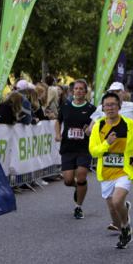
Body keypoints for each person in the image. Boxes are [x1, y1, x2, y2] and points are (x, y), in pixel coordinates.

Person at [88, 91, 133, 249]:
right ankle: (122, 222)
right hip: (106, 173)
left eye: (113, 105)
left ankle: (126, 228)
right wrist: (107, 143)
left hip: (124, 171)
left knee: (117, 200)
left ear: (119, 106)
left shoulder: (129, 124)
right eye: (107, 105)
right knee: (113, 210)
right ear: (103, 108)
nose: (110, 108)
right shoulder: (99, 126)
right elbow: (93, 151)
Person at [56, 79, 96, 219]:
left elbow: (96, 124)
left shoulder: (91, 109)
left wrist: (90, 130)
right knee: (67, 180)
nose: (78, 91)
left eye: (81, 89)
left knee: (81, 175)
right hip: (68, 147)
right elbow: (58, 120)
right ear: (73, 91)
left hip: (84, 148)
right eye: (76, 89)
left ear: (85, 92)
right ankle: (77, 188)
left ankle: (78, 206)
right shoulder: (66, 106)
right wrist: (57, 134)